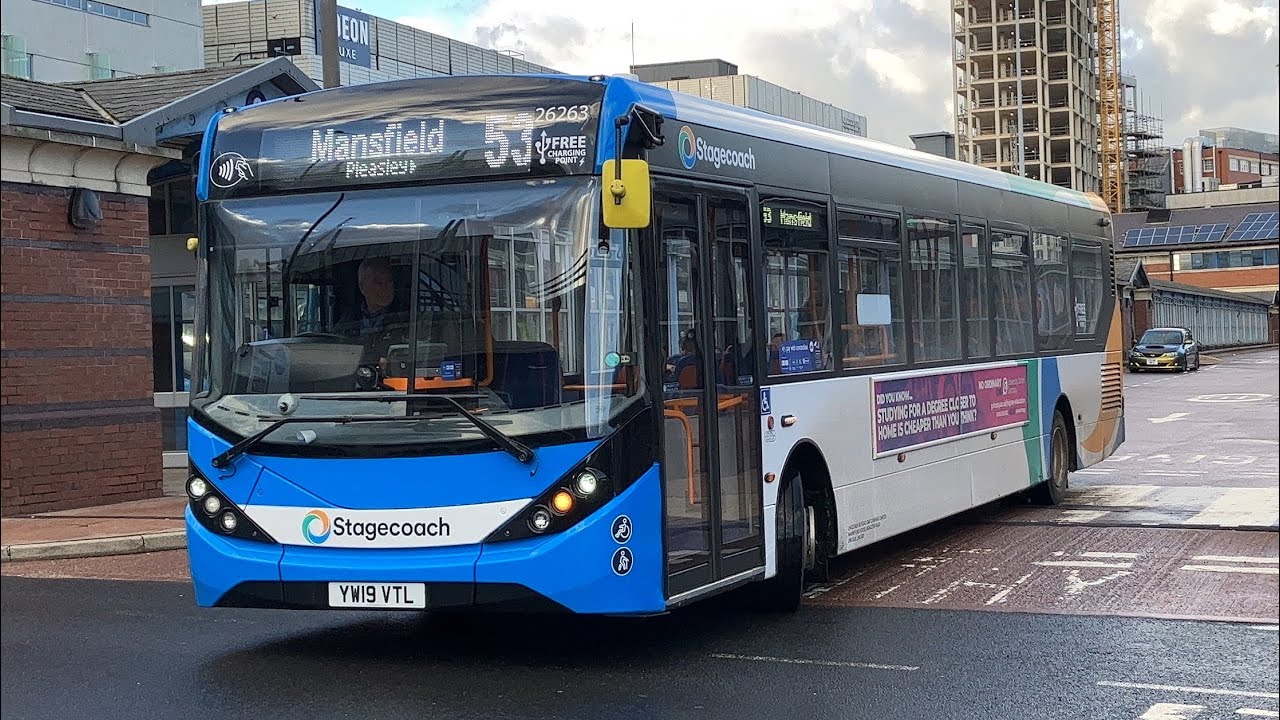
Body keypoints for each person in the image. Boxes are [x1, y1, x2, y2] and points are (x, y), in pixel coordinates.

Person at [334, 257, 411, 365]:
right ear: (362, 286)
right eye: (379, 282)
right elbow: (336, 353)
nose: (386, 287)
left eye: (389, 281)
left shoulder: (406, 318)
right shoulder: (348, 321)